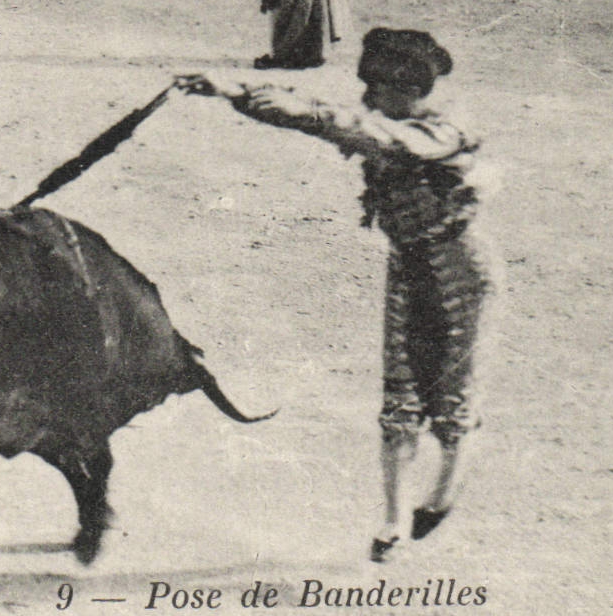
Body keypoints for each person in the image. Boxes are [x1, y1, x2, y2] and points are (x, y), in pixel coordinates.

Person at [176, 28, 498, 563]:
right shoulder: (396, 117)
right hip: (411, 264)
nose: (368, 97)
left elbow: (352, 127)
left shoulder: (441, 130)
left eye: (377, 88)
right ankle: (395, 521)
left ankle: (442, 496)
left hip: (462, 269)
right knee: (400, 395)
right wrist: (230, 88)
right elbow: (326, 112)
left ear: (407, 89)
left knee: (453, 394)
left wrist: (251, 97)